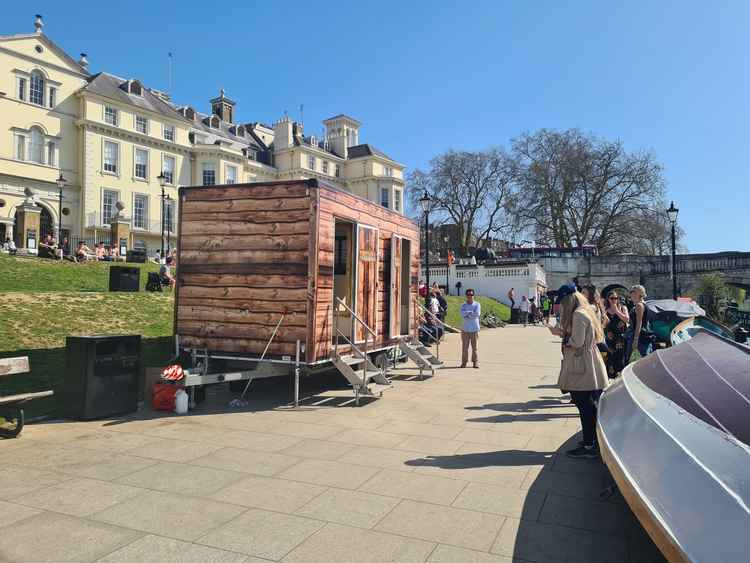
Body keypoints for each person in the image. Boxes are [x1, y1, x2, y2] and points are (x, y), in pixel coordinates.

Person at [549, 284, 608, 459]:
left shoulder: (577, 314)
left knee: (584, 405)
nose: (562, 305)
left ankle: (590, 444)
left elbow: (576, 342)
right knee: (588, 404)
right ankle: (591, 440)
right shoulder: (586, 310)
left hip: (581, 364)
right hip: (589, 361)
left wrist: (561, 335)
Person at [604, 291, 629, 378]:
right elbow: (601, 324)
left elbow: (626, 319)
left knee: (621, 358)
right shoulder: (605, 310)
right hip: (610, 339)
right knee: (611, 359)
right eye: (612, 298)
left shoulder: (623, 308)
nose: (614, 300)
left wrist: (617, 311)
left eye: (616, 298)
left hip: (620, 338)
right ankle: (611, 378)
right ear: (608, 299)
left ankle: (621, 377)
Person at [626, 284, 652, 361]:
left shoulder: (639, 305)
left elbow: (639, 323)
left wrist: (635, 339)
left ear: (637, 293)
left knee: (635, 360)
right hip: (643, 334)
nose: (630, 294)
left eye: (632, 291)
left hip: (639, 336)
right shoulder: (644, 304)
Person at [460, 288, 481, 368]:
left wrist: (467, 314)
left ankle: (475, 362)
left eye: (471, 295)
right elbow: (462, 314)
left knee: (474, 348)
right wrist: (470, 313)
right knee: (465, 348)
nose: (470, 296)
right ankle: (464, 362)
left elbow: (477, 314)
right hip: (465, 329)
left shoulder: (477, 304)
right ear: (466, 296)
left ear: (473, 295)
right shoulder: (463, 305)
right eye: (468, 295)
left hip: (474, 329)